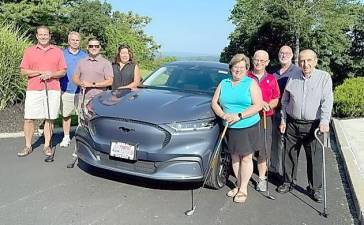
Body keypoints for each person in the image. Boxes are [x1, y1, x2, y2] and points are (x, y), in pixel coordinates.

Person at [277, 49, 333, 203]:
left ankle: (315, 189)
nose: (305, 64)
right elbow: (285, 101)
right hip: (293, 123)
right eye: (302, 61)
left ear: (315, 61)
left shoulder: (324, 77)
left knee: (314, 158)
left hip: (314, 125)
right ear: (298, 62)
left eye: (309, 60)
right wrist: (283, 119)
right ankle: (288, 182)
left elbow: (327, 102)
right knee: (289, 155)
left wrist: (324, 121)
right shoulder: (293, 77)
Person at [211, 53, 263, 203]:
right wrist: (222, 115)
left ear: (247, 69)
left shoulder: (251, 83)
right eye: (235, 67)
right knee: (234, 157)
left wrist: (239, 115)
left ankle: (243, 189)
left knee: (246, 158)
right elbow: (214, 102)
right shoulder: (224, 83)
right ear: (231, 68)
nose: (238, 70)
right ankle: (238, 184)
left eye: (241, 67)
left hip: (247, 125)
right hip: (230, 126)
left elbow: (258, 105)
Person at [18, 25, 67, 157]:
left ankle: (46, 146)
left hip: (52, 89)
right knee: (29, 118)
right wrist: (39, 72)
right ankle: (28, 146)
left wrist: (51, 74)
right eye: (41, 34)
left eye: (46, 34)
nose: (43, 37)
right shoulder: (29, 51)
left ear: (50, 36)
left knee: (49, 118)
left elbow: (63, 71)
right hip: (34, 89)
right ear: (37, 36)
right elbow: (23, 71)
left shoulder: (58, 51)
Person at [248, 50, 280, 192]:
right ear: (252, 60)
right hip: (248, 117)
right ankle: (243, 178)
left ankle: (261, 179)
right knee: (246, 149)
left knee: (263, 150)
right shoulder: (245, 76)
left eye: (262, 61)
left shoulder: (271, 79)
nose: (259, 63)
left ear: (267, 62)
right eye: (257, 60)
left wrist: (268, 105)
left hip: (265, 118)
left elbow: (276, 99)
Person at [270, 46, 301, 180]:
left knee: (286, 144)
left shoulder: (297, 71)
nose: (284, 55)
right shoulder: (273, 72)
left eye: (287, 53)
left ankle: (286, 175)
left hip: (288, 113)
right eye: (281, 53)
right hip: (273, 112)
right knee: (274, 142)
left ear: (292, 55)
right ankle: (275, 170)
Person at [59, 31, 87, 147]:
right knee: (66, 115)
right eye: (73, 40)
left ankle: (81, 137)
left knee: (82, 116)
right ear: (68, 41)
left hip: (81, 91)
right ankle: (66, 137)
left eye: (77, 40)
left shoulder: (84, 55)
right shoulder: (62, 54)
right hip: (66, 89)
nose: (75, 42)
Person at [72, 38, 113, 104]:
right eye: (91, 46)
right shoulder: (81, 62)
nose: (94, 48)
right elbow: (75, 77)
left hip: (100, 99)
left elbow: (110, 81)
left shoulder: (106, 63)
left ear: (100, 47)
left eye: (96, 46)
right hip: (83, 98)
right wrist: (81, 83)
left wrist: (92, 84)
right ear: (87, 47)